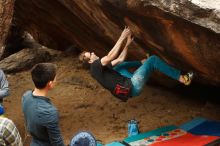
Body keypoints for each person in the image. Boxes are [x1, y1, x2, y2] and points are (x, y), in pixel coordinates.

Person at [79, 27, 194, 101]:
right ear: (89, 61)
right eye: (91, 54)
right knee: (153, 59)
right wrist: (122, 36)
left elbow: (120, 59)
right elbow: (110, 56)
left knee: (119, 65)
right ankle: (182, 78)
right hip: (132, 85)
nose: (93, 53)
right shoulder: (94, 67)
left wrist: (127, 43)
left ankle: (143, 62)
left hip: (129, 89)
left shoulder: (100, 70)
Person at [22, 63, 65, 146]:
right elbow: (57, 142)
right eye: (55, 78)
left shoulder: (26, 96)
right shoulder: (50, 112)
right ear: (50, 84)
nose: (56, 80)